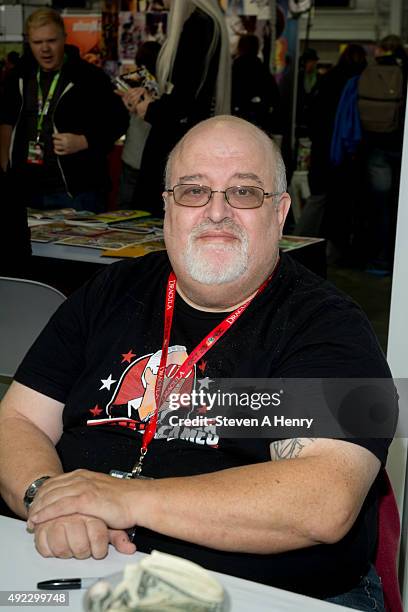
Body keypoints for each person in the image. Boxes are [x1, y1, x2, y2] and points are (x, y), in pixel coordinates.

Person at [0, 116, 396, 611]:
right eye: (193, 191)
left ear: (281, 212)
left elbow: (323, 499)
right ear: (167, 207)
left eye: (244, 193)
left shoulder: (330, 324)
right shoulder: (109, 292)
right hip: (74, 566)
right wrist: (47, 499)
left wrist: (123, 499)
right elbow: (15, 420)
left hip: (268, 594)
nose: (216, 212)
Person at [0, 8, 128, 213]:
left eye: (51, 41)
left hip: (77, 192)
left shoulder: (90, 77)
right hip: (26, 190)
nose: (45, 49)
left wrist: (84, 141)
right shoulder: (19, 76)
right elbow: (6, 121)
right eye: (37, 43)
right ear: (29, 43)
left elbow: (118, 121)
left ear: (64, 39)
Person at [120, 0, 231, 216]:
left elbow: (183, 102)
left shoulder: (197, 26)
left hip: (173, 149)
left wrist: (150, 109)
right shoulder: (209, 25)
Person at [358, 35, 407, 275]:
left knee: (380, 206)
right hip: (400, 145)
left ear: (380, 49)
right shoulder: (403, 71)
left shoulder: (368, 72)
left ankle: (379, 261)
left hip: (375, 145)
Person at [118, 41, 161, 209]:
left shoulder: (132, 84)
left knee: (126, 208)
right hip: (150, 158)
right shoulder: (168, 88)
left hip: (133, 156)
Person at [231, 33, 280, 133]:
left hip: (238, 115)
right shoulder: (261, 68)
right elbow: (274, 95)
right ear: (256, 48)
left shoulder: (235, 67)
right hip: (259, 117)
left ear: (240, 47)